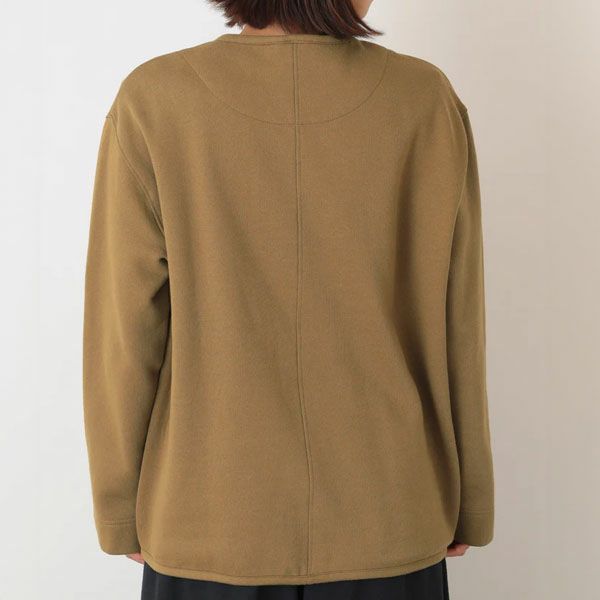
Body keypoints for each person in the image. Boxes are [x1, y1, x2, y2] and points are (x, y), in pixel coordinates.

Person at [82, 0, 495, 597]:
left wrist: (120, 507)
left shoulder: (155, 99)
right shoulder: (423, 99)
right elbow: (458, 321)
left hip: (210, 519)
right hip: (389, 511)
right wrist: (469, 499)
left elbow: (123, 334)